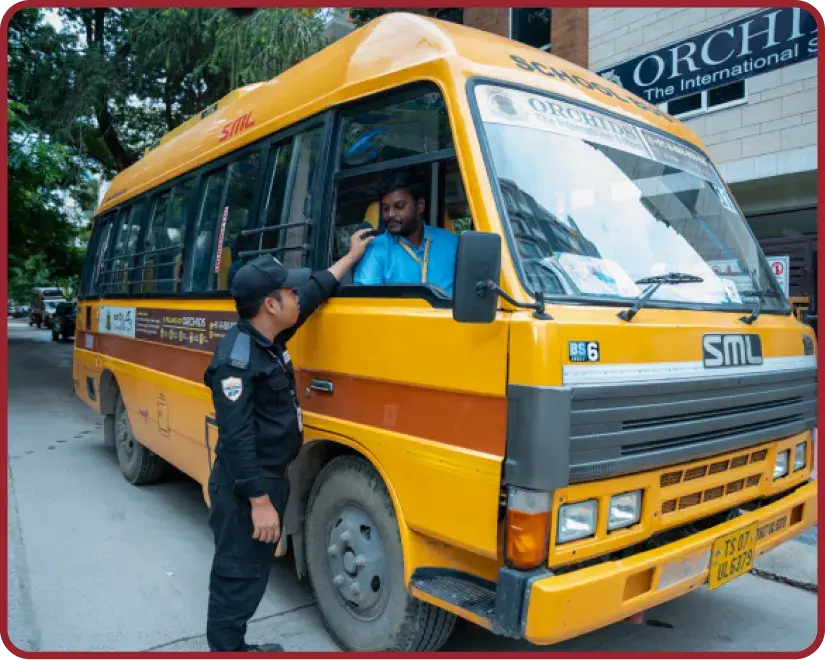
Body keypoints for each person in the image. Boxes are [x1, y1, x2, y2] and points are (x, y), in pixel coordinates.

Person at [204, 228, 374, 653]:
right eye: (289, 292)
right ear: (270, 304)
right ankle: (229, 650)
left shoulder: (268, 337)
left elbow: (315, 291)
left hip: (268, 478)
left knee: (252, 572)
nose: (298, 298)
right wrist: (259, 503)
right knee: (237, 574)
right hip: (248, 485)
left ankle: (235, 647)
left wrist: (350, 258)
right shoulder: (236, 362)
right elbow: (238, 438)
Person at [353, 171, 459, 296]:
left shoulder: (452, 243)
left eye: (399, 206)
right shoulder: (375, 248)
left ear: (420, 206)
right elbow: (367, 301)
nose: (390, 214)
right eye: (386, 208)